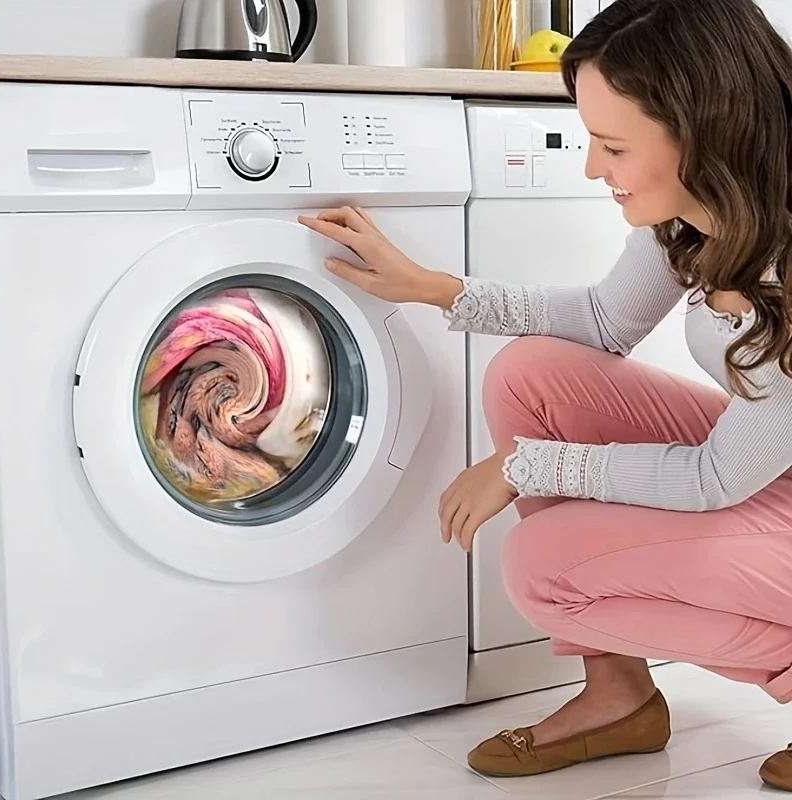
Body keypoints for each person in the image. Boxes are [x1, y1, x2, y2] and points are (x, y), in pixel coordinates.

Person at [299, 0, 792, 791]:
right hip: (770, 473)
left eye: (614, 146)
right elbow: (603, 321)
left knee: (543, 567)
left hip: (747, 479)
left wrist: (526, 466)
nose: (593, 167)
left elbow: (713, 479)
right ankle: (618, 696)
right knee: (532, 376)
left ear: (707, 133)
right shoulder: (703, 216)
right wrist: (433, 287)